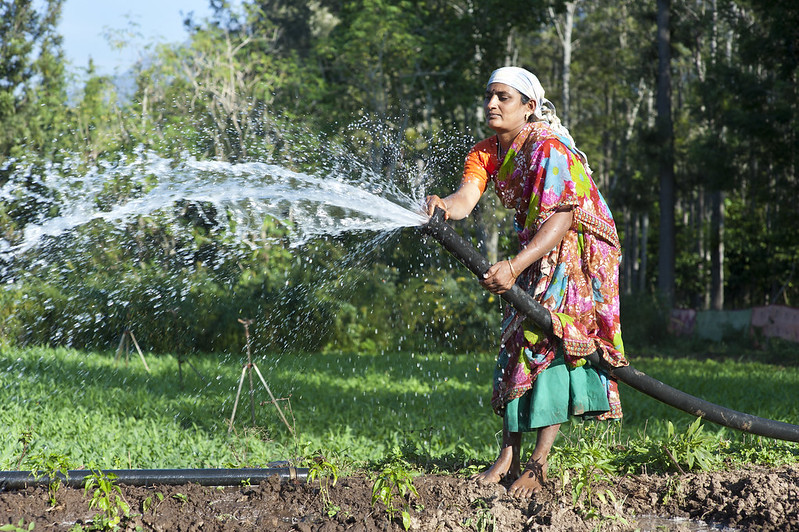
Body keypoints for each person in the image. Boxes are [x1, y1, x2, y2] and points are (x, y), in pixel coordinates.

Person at [424, 66, 628, 498]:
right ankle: (508, 455)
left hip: (575, 247)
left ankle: (538, 464)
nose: (492, 104)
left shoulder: (549, 149)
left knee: (547, 339)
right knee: (516, 338)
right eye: (489, 96)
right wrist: (444, 204)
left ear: (530, 107)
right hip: (536, 245)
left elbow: (563, 217)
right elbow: (466, 198)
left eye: (504, 97)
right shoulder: (486, 153)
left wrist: (514, 267)